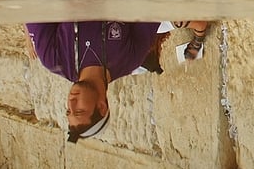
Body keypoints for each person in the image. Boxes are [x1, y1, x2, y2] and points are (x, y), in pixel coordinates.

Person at [26, 19, 160, 141]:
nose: (71, 102)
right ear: (102, 107)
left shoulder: (54, 59)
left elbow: (33, 10)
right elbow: (152, 10)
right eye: (79, 111)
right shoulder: (130, 58)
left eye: (68, 111)